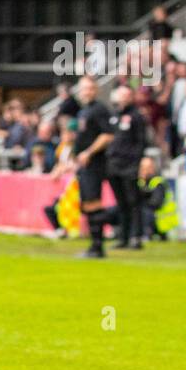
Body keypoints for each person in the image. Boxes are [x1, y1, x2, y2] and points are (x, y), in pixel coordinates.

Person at [72, 75, 116, 258]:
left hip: (95, 163)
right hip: (84, 165)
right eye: (84, 88)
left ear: (96, 90)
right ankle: (94, 244)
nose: (86, 91)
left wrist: (88, 152)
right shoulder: (83, 111)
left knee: (93, 202)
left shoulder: (99, 110)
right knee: (87, 204)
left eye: (90, 88)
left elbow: (107, 135)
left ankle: (98, 246)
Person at [106, 86, 147, 249]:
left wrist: (136, 162)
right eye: (121, 95)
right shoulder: (114, 116)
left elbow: (141, 141)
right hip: (114, 165)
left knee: (133, 201)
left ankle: (136, 236)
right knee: (121, 203)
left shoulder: (136, 116)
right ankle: (123, 236)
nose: (124, 98)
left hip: (129, 165)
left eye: (127, 95)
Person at [137, 156, 177, 241]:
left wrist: (143, 196)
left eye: (146, 168)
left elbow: (156, 203)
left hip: (162, 220)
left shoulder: (158, 182)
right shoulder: (140, 181)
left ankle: (147, 235)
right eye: (142, 167)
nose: (143, 170)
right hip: (152, 217)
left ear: (152, 168)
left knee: (144, 209)